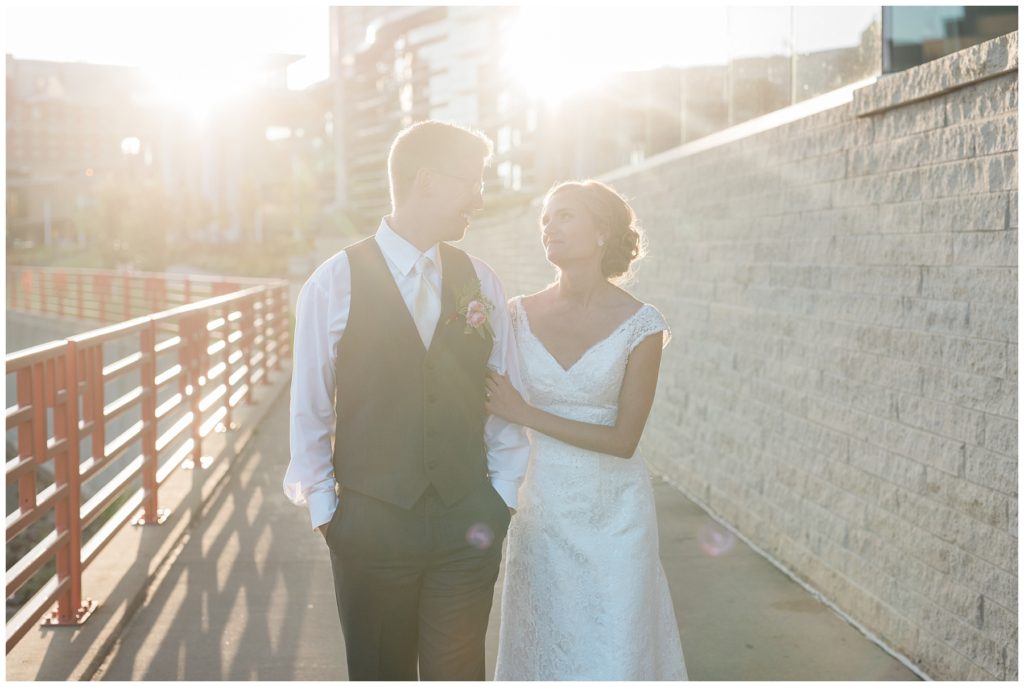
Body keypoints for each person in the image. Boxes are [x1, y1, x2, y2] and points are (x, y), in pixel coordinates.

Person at [283, 120, 530, 680]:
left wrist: (502, 496)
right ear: (428, 182)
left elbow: (500, 392)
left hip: (468, 523)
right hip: (370, 528)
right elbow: (310, 408)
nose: (480, 198)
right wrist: (328, 514)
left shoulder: (483, 282)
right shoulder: (333, 282)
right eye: (472, 181)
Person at [486, 179, 687, 680]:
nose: (550, 226)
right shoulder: (515, 315)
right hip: (542, 510)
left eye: (565, 215)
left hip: (615, 515)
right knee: (545, 646)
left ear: (601, 232)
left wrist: (525, 412)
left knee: (614, 647)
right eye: (546, 219)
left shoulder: (642, 324)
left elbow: (624, 441)